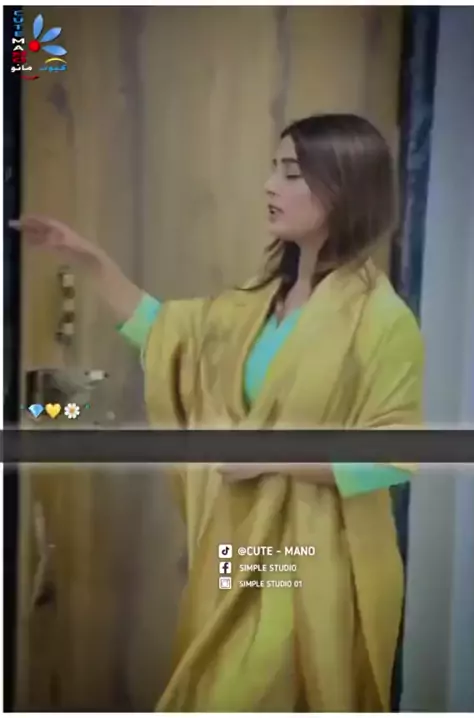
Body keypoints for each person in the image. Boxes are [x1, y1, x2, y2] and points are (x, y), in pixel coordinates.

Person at [10, 113, 423, 712]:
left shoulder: (383, 321)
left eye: (291, 173)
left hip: (318, 561)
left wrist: (271, 459)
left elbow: (395, 453)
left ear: (344, 188)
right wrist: (88, 258)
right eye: (273, 169)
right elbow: (166, 335)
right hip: (239, 545)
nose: (269, 186)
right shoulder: (254, 304)